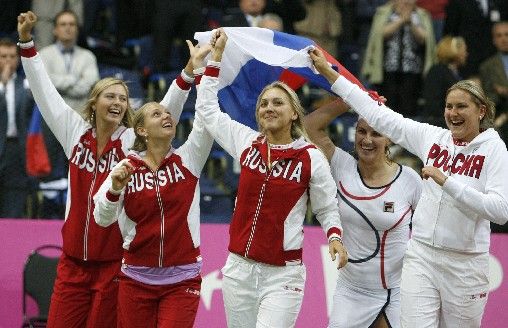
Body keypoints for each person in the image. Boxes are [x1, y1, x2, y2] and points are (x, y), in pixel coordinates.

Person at [18, 11, 194, 327]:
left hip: (113, 265)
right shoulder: (74, 131)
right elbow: (45, 93)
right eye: (110, 96)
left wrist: (187, 75)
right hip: (71, 265)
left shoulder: (130, 142)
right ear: (94, 101)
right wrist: (27, 44)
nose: (118, 102)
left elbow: (166, 109)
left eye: (124, 99)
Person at [311, 47, 508, 327]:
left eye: (461, 106)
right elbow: (382, 117)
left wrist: (448, 183)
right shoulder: (433, 138)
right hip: (422, 256)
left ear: (481, 111)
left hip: (466, 263)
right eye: (449, 106)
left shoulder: (494, 149)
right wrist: (332, 74)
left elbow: (500, 211)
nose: (453, 113)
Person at [199, 29, 347, 328]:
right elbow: (207, 111)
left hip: (282, 274)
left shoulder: (309, 156)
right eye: (264, 104)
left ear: (294, 113)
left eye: (277, 103)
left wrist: (334, 236)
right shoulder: (247, 142)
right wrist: (215, 60)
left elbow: (326, 206)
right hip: (238, 268)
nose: (268, 108)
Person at [93, 42, 213, 328]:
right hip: (135, 279)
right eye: (157, 114)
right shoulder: (125, 167)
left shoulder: (189, 158)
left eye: (167, 113)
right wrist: (115, 190)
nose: (167, 116)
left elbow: (207, 118)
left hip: (183, 279)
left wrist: (207, 69)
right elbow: (102, 217)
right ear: (142, 131)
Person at [304, 99, 422, 328]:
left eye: (376, 133)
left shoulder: (409, 181)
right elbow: (308, 126)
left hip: (398, 291)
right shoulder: (340, 164)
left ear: (389, 138)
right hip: (352, 291)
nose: (367, 140)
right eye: (361, 131)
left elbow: (429, 231)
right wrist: (351, 99)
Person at [38, 9, 100, 218]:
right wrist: (75, 80)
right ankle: (48, 217)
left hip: (81, 124)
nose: (68, 28)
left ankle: (79, 217)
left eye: (72, 24)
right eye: (63, 24)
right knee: (51, 176)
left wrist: (60, 82)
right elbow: (44, 85)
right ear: (55, 29)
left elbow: (90, 86)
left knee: (79, 175)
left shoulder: (88, 56)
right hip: (50, 124)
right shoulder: (43, 55)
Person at [361, 0, 435, 117]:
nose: (405, 3)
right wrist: (401, 20)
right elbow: (380, 34)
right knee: (388, 108)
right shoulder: (384, 13)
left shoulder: (421, 15)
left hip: (412, 69)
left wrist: (410, 21)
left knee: (409, 108)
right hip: (388, 68)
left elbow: (424, 39)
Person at [0, 38, 34, 218]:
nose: (7, 61)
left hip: (16, 150)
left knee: (14, 206)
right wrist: (2, 85)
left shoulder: (26, 85)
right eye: (3, 56)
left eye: (12, 56)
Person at [422, 36, 468, 126]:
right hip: (439, 124)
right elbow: (433, 103)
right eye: (464, 50)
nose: (466, 54)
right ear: (454, 51)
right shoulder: (437, 71)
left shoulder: (456, 73)